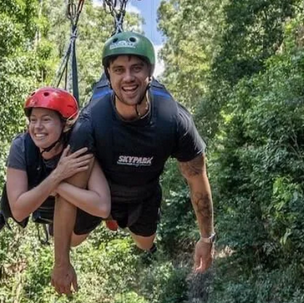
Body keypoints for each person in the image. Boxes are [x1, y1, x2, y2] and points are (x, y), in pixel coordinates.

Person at [50, 32, 216, 295]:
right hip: (98, 193)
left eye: (136, 68)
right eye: (119, 70)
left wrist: (207, 238)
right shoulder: (91, 123)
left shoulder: (173, 120)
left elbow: (197, 178)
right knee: (71, 241)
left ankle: (117, 218)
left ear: (150, 72)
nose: (128, 77)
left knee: (144, 243)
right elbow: (69, 199)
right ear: (108, 76)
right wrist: (61, 263)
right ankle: (107, 214)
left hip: (143, 193)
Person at [0, 87, 111, 250]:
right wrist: (57, 176)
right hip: (33, 194)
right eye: (33, 120)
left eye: (46, 120)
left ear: (65, 124)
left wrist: (59, 186)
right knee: (10, 198)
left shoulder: (77, 146)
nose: (37, 127)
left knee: (73, 239)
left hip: (70, 204)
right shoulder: (22, 146)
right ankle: (4, 214)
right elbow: (19, 211)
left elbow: (102, 207)